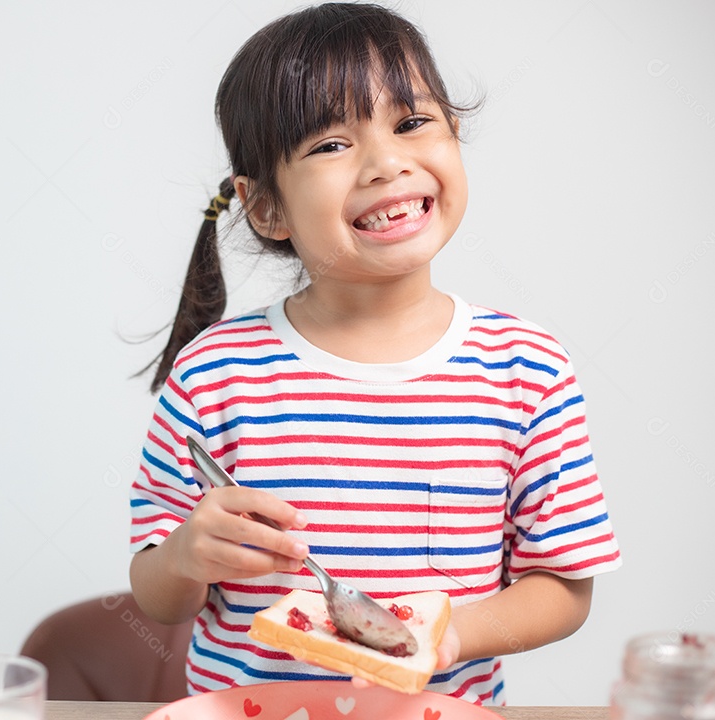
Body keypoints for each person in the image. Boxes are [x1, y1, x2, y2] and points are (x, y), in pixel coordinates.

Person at [128, 2, 621, 705]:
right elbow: (157, 597)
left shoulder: (525, 368)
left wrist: (448, 635)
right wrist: (186, 556)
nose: (388, 163)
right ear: (265, 207)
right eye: (331, 145)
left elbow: (565, 588)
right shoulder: (214, 373)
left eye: (412, 123)